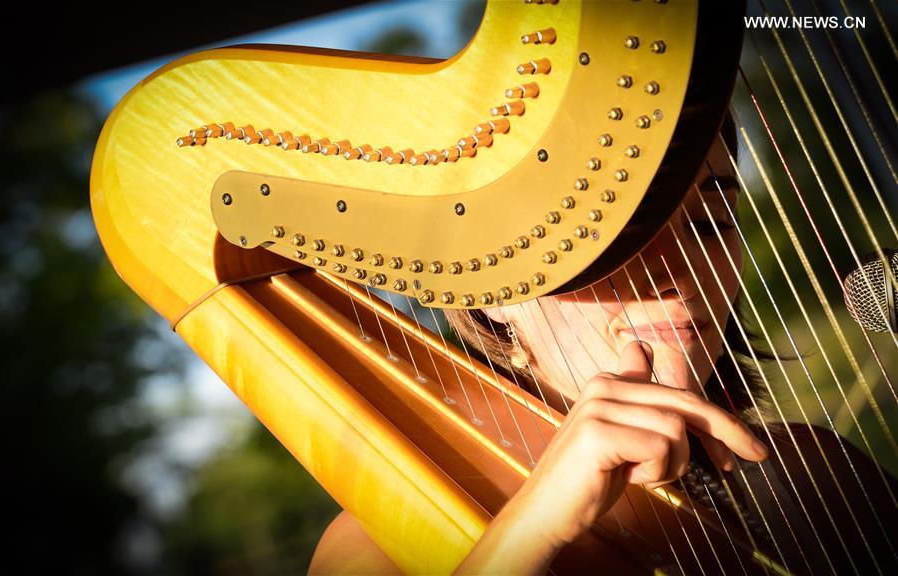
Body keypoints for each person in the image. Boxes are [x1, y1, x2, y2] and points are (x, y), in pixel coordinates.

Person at [309, 120, 896, 574]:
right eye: (613, 240)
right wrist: (528, 540)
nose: (684, 271)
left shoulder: (822, 475)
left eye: (712, 221)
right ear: (492, 292)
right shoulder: (385, 545)